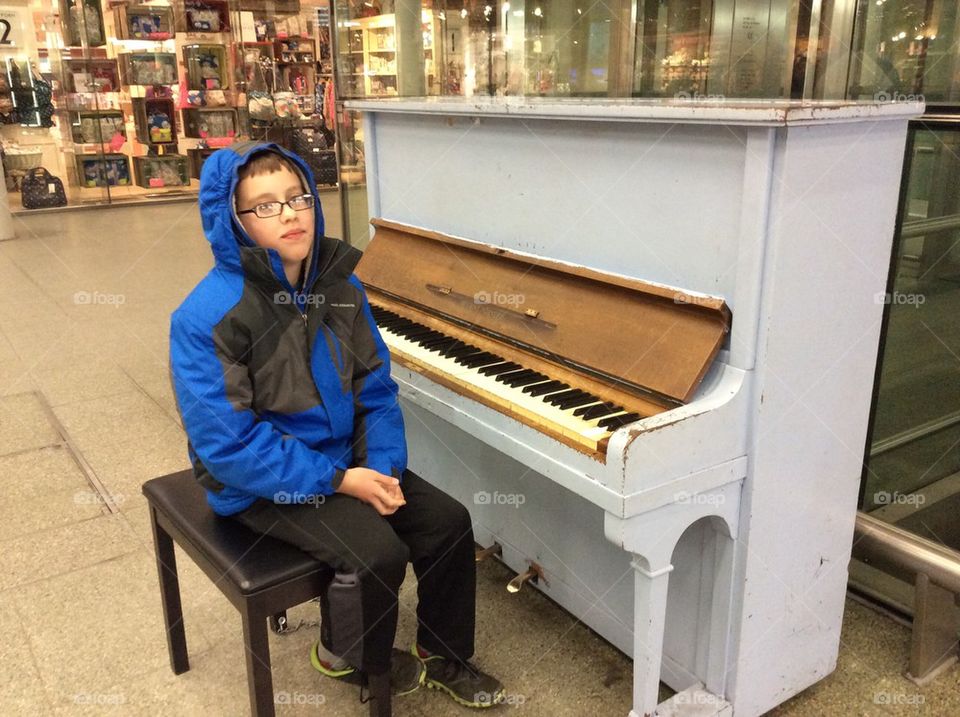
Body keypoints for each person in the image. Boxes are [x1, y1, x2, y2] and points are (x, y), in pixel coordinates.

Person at [169, 141, 505, 712]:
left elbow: (376, 391)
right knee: (376, 552)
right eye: (266, 205)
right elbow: (229, 446)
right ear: (234, 220)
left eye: (298, 197)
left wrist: (378, 466)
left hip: (345, 458)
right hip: (256, 482)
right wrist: (341, 481)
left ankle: (441, 651)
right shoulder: (205, 318)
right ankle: (339, 653)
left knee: (448, 521)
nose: (291, 214)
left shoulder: (342, 290)